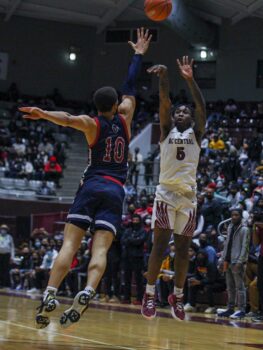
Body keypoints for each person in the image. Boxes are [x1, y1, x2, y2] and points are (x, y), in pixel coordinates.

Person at [19, 27, 152, 329]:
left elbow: (65, 119)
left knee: (70, 244)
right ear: (117, 105)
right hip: (116, 190)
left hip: (91, 185)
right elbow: (130, 86)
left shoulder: (91, 124)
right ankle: (89, 290)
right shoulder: (126, 115)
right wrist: (137, 55)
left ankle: (51, 293)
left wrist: (43, 113)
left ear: (96, 107)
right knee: (101, 249)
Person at [141, 56, 206, 321]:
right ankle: (149, 293)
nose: (180, 113)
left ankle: (177, 296)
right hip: (166, 194)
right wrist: (165, 76)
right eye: (178, 111)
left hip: (188, 196)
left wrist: (190, 80)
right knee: (159, 247)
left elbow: (201, 106)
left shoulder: (196, 134)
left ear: (191, 118)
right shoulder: (166, 131)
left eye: (185, 112)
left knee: (182, 250)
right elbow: (164, 102)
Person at [218, 209, 250, 319]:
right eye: (232, 215)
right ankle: (230, 308)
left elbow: (245, 247)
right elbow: (227, 245)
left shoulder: (245, 229)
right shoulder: (230, 227)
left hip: (237, 262)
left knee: (240, 287)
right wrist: (222, 260)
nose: (234, 217)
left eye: (236, 215)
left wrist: (240, 261)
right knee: (230, 287)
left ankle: (241, 310)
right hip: (228, 260)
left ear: (241, 216)